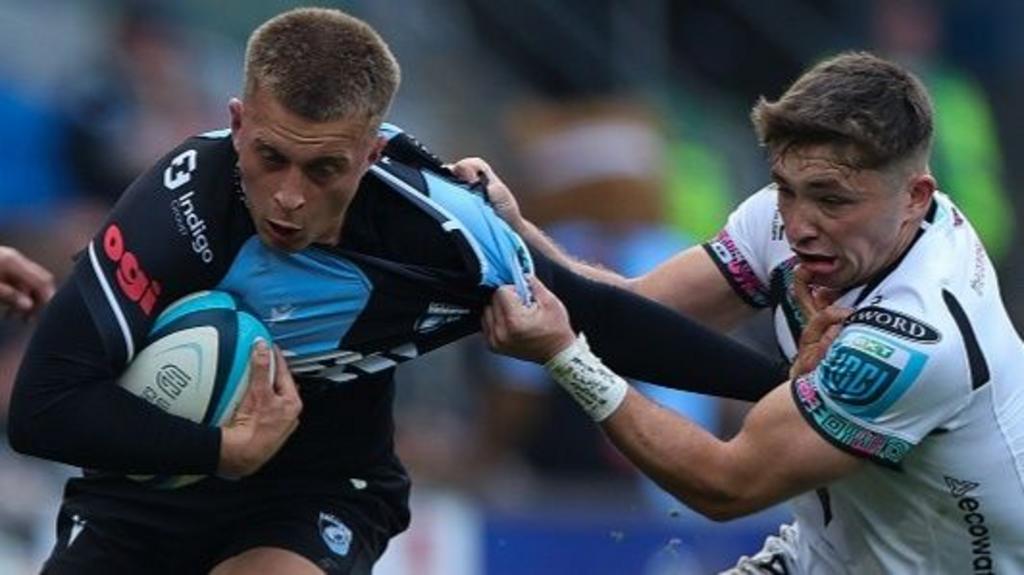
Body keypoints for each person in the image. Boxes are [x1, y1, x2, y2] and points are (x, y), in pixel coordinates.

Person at [8, 8, 801, 575]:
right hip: (143, 491)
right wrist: (222, 448)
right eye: (270, 157)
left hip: (319, 491)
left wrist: (789, 387)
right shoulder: (175, 206)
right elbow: (42, 407)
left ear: (374, 150)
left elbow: (598, 317)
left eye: (324, 170)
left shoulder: (446, 229)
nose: (288, 197)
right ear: (238, 121)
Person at [463, 51, 1024, 573]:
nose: (800, 224)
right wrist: (516, 234)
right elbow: (631, 317)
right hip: (825, 555)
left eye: (832, 200)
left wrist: (565, 357)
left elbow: (726, 487)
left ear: (916, 196)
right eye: (787, 188)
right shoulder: (788, 220)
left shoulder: (916, 337)